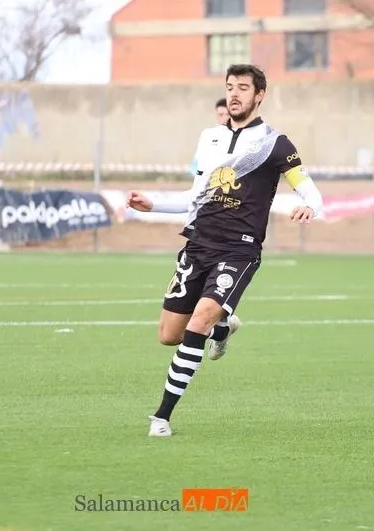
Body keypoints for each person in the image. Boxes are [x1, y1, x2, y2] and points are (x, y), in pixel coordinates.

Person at [127, 64, 325, 437]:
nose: (235, 94)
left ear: (259, 95)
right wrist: (152, 205)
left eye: (243, 88)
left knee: (198, 320)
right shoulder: (209, 138)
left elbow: (308, 187)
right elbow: (195, 197)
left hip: (239, 250)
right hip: (199, 243)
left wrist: (310, 205)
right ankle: (223, 325)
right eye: (230, 87)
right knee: (170, 335)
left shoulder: (275, 143)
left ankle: (162, 417)